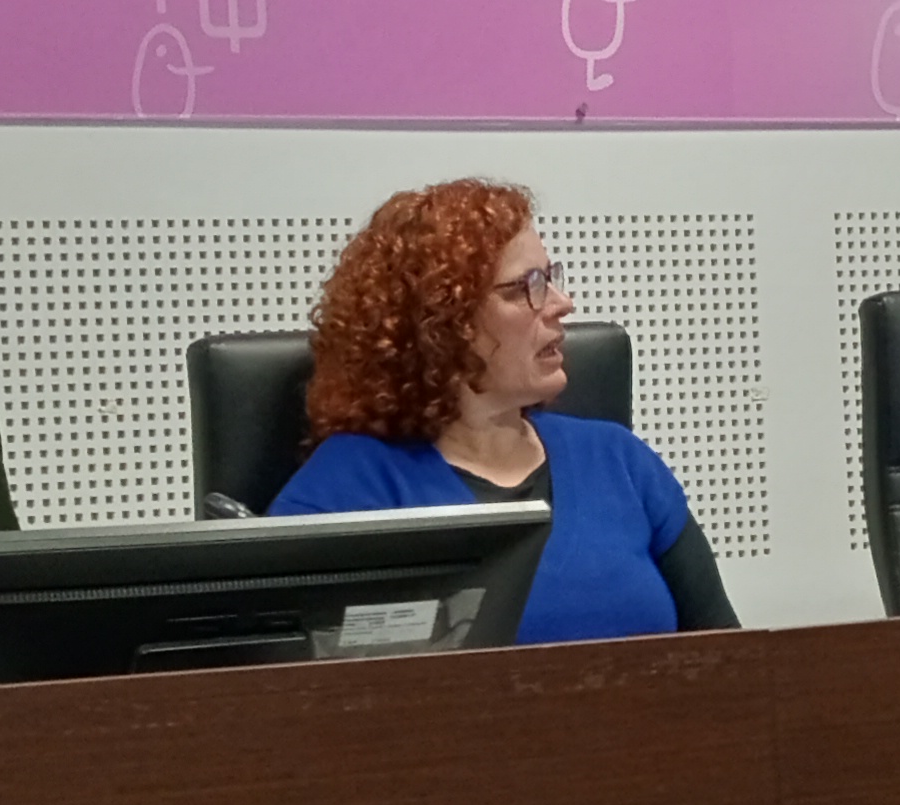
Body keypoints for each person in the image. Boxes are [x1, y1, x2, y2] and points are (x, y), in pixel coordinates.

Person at [271, 180, 736, 644]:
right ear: (442, 324)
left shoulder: (619, 460)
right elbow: (284, 676)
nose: (562, 304)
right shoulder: (348, 487)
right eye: (525, 288)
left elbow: (730, 655)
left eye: (549, 278)